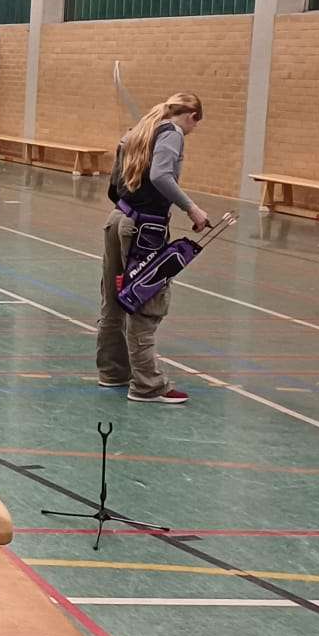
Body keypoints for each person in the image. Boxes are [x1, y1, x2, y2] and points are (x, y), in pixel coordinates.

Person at [98, 92, 208, 406]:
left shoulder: (138, 131)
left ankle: (112, 372)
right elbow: (161, 175)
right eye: (195, 125)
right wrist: (192, 209)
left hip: (118, 217)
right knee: (145, 300)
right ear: (192, 116)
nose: (193, 131)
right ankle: (147, 385)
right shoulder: (172, 133)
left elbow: (113, 184)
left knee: (114, 299)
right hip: (145, 228)